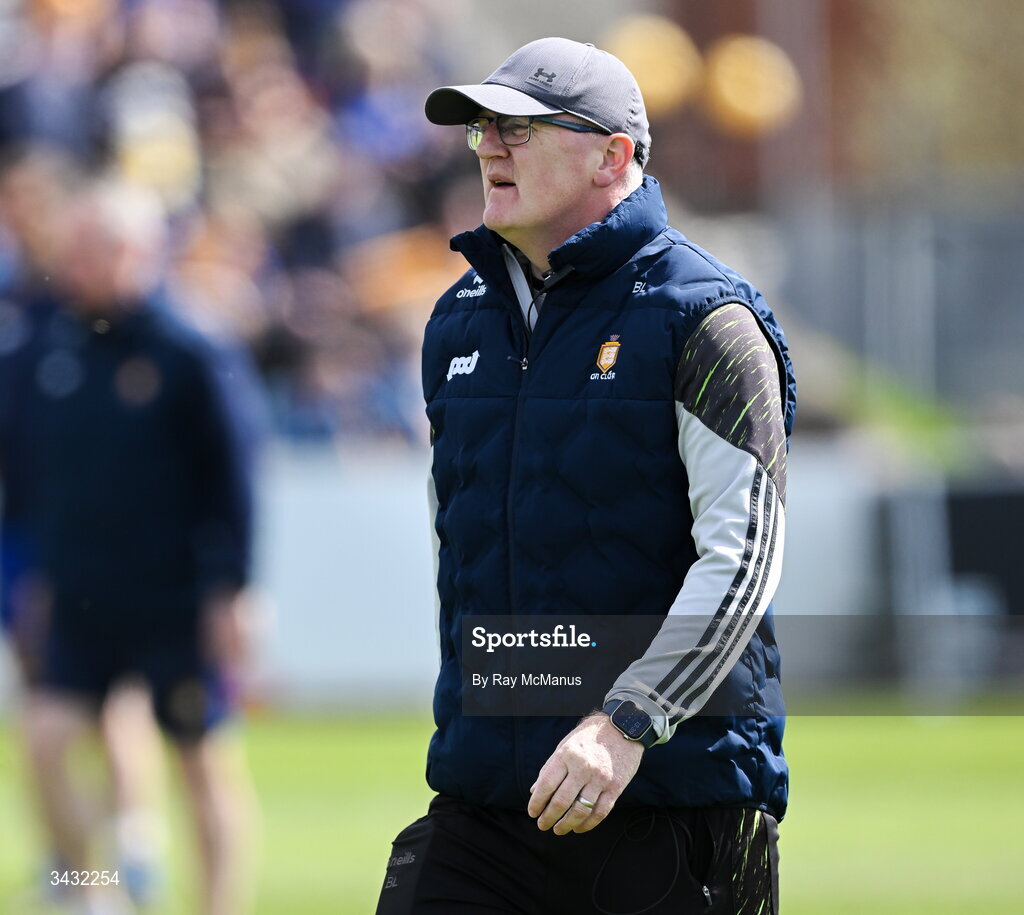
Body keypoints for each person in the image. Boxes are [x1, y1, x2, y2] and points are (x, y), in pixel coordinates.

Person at [376, 37, 797, 914]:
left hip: (673, 795)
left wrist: (627, 722)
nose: (490, 145)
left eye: (520, 128)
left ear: (614, 155)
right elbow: (461, 544)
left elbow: (744, 561)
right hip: (488, 801)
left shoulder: (707, 318)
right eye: (483, 128)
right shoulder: (456, 320)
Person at [12, 177, 263, 915]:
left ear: (136, 251)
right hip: (81, 594)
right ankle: (93, 896)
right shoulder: (48, 346)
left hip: (176, 599)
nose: (73, 263)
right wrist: (36, 576)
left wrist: (234, 589)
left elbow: (236, 479)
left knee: (201, 762)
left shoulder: (191, 347)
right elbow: (33, 478)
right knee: (46, 743)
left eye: (91, 248)